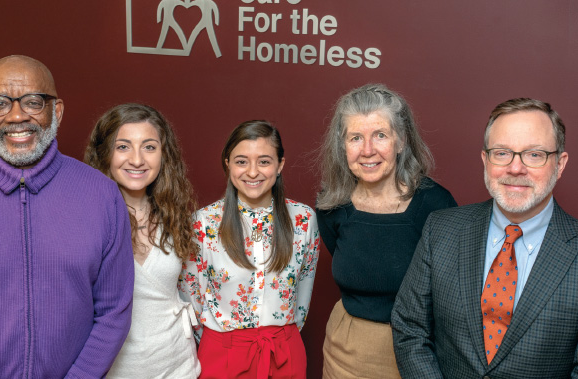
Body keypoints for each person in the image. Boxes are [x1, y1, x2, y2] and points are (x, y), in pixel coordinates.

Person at [0, 55, 134, 378]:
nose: (16, 116)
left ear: (56, 111)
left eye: (33, 102)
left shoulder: (101, 194)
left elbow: (114, 312)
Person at [392, 98, 576, 379]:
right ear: (485, 159)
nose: (515, 168)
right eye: (502, 153)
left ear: (560, 164)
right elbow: (409, 327)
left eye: (534, 155)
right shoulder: (441, 229)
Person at [315, 83, 457, 378]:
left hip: (419, 354)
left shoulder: (436, 205)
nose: (367, 150)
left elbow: (454, 290)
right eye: (355, 137)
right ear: (342, 146)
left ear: (402, 140)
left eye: (380, 135)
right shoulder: (332, 206)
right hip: (345, 354)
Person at [179, 120, 320, 378]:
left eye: (264, 161)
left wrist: (281, 335)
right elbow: (191, 296)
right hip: (222, 354)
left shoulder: (304, 219)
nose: (252, 172)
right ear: (228, 164)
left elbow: (303, 291)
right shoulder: (203, 222)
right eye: (242, 161)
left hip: (284, 353)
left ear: (280, 165)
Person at [84, 103, 201, 378]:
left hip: (179, 365)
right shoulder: (85, 218)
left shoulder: (177, 215)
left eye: (149, 147)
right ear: (104, 153)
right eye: (123, 146)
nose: (137, 160)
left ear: (164, 155)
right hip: (114, 369)